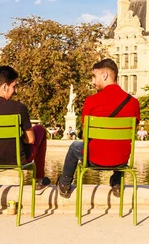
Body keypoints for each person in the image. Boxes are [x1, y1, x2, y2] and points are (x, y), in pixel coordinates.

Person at [57, 58, 140, 199]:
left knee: (75, 146)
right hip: (121, 160)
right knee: (119, 144)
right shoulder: (133, 102)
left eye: (94, 76)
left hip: (94, 159)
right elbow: (131, 133)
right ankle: (117, 183)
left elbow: (85, 136)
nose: (93, 81)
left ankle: (64, 185)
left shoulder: (91, 101)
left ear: (105, 76)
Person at [0, 65, 51, 193]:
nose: (15, 90)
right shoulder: (18, 107)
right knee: (40, 129)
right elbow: (31, 140)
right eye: (14, 86)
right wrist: (20, 139)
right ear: (5, 87)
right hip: (19, 159)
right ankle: (39, 180)